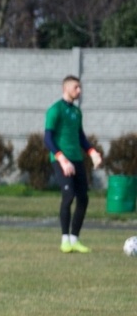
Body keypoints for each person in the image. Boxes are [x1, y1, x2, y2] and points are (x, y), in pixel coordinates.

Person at [44, 75, 103, 253]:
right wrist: (62, 160)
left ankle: (74, 239)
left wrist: (92, 153)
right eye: (76, 87)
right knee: (69, 196)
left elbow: (80, 137)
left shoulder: (77, 112)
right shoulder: (55, 110)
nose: (79, 90)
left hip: (77, 159)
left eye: (80, 87)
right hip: (61, 160)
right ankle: (64, 240)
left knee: (83, 198)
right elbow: (48, 139)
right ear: (66, 88)